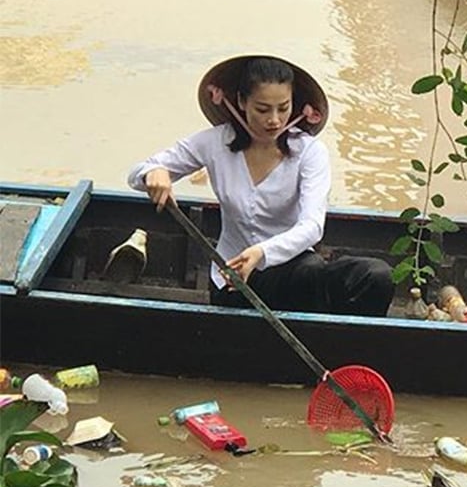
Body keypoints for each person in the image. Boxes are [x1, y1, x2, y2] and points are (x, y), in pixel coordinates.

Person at [128, 55, 394, 316]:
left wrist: (262, 252)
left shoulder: (310, 152)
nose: (275, 120)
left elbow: (312, 226)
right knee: (309, 272)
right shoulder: (215, 142)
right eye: (263, 109)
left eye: (283, 108)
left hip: (295, 275)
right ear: (242, 102)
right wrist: (155, 172)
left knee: (375, 276)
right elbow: (138, 174)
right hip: (232, 279)